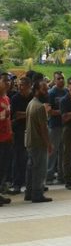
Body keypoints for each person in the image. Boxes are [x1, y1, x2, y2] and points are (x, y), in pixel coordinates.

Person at [24, 78, 53, 203]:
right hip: (38, 142)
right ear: (36, 90)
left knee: (31, 168)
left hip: (30, 141)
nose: (46, 92)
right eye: (44, 89)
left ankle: (29, 193)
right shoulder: (40, 107)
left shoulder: (31, 103)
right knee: (40, 169)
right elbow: (43, 129)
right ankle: (37, 193)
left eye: (47, 89)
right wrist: (48, 144)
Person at [9, 77, 33, 194]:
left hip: (31, 130)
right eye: (19, 85)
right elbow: (16, 115)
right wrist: (32, 112)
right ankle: (17, 183)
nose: (19, 87)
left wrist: (27, 114)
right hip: (19, 131)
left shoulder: (33, 97)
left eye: (22, 85)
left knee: (30, 158)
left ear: (29, 86)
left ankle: (29, 183)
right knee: (18, 157)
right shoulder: (15, 98)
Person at [46, 71, 67, 185]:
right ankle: (48, 176)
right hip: (54, 126)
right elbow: (49, 111)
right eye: (58, 78)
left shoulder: (66, 92)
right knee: (52, 151)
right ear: (54, 80)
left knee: (64, 152)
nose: (61, 80)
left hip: (65, 126)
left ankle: (62, 175)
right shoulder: (51, 93)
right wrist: (62, 112)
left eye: (63, 78)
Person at [0, 73, 12, 206]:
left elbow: (8, 119)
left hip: (6, 137)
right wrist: (3, 114)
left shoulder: (7, 98)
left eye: (9, 81)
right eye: (4, 81)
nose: (8, 83)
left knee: (3, 168)